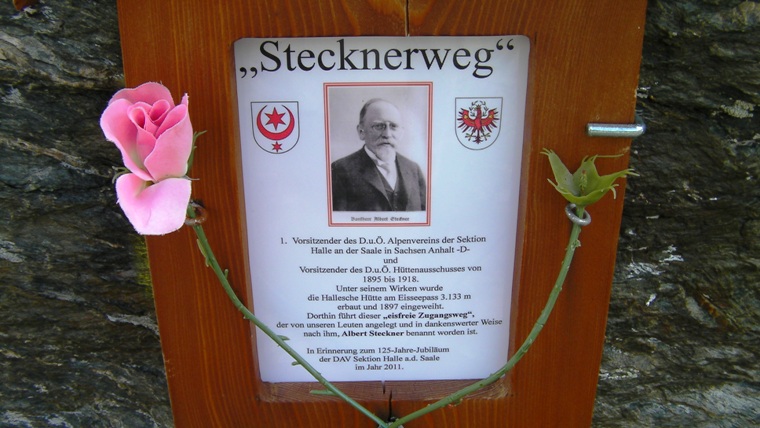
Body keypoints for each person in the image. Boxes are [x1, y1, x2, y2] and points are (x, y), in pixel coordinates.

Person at [331, 98, 426, 212]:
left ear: (401, 133)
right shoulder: (340, 170)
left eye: (393, 126)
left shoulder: (413, 169)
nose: (387, 134)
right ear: (361, 132)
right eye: (379, 126)